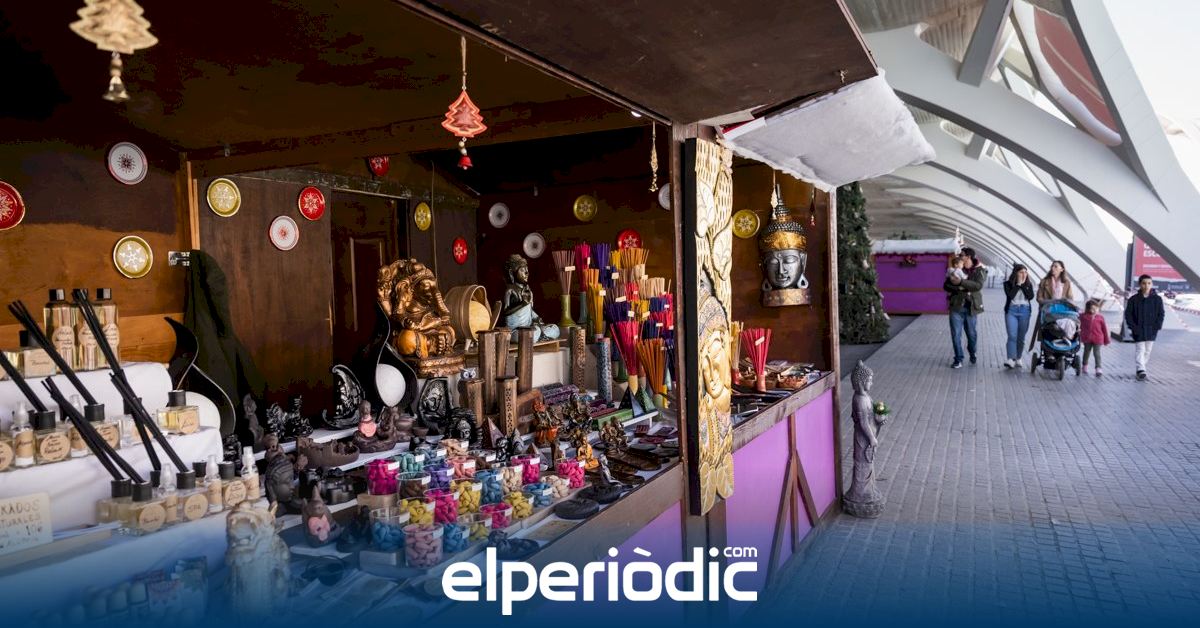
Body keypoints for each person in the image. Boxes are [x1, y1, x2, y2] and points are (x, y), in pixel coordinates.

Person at [944, 248, 987, 368]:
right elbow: (946, 285)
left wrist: (961, 282)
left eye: (961, 255)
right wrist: (959, 287)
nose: (959, 257)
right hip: (956, 307)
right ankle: (958, 359)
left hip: (971, 308)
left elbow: (978, 286)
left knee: (971, 334)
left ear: (968, 257)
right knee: (955, 334)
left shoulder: (979, 270)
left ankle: (972, 352)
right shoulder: (956, 268)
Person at [1124, 274, 1165, 380]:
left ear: (1152, 284)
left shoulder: (1157, 299)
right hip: (1138, 329)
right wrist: (1133, 327)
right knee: (1140, 349)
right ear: (1140, 284)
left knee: (1148, 350)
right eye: (1144, 283)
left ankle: (1141, 367)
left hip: (1152, 329)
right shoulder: (1133, 299)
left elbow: (1161, 314)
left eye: (1149, 283)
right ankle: (1141, 369)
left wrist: (1157, 326)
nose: (1146, 286)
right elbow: (1128, 314)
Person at [1002, 264, 1035, 369]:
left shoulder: (1029, 284)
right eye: (1021, 272)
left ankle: (1018, 357)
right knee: (1012, 336)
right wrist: (1018, 284)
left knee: (1021, 337)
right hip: (1011, 311)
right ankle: (1011, 359)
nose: (1024, 274)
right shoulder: (1007, 284)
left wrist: (1023, 285)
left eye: (1025, 272)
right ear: (1016, 273)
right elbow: (1011, 295)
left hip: (1025, 311)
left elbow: (1030, 296)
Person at [1078, 298, 1110, 376]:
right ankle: (1084, 365)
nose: (1095, 310)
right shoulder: (1083, 316)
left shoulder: (1100, 317)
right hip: (1087, 338)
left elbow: (1104, 329)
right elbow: (1077, 318)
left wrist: (1106, 340)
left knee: (1097, 353)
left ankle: (1098, 368)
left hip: (1098, 339)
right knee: (1086, 352)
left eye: (1096, 308)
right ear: (1088, 309)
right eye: (1092, 309)